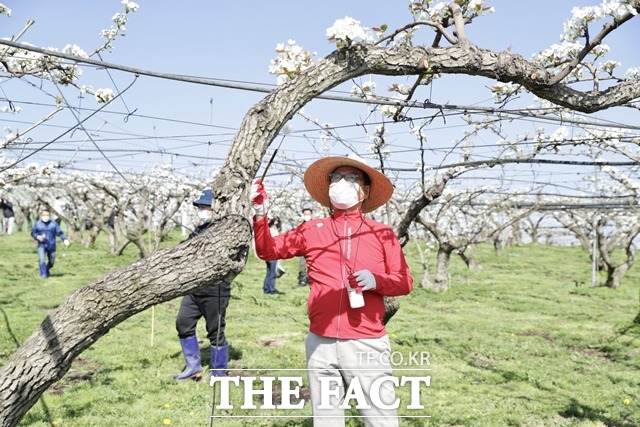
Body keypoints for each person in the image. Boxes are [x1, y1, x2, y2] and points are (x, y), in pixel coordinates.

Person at [251, 154, 413, 426]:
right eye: (335, 178)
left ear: (365, 190)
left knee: (380, 419)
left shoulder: (382, 233)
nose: (341, 183)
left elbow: (404, 282)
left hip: (366, 342)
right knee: (326, 419)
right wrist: (260, 213)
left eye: (351, 178)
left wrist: (376, 281)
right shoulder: (312, 229)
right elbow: (268, 250)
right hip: (321, 340)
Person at [173, 189, 231, 381]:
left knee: (215, 331)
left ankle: (219, 373)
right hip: (194, 289)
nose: (202, 210)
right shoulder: (198, 230)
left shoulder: (224, 231)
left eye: (206, 207)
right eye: (201, 207)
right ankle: (193, 367)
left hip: (216, 290)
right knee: (183, 323)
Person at [31, 209, 70, 279]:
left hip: (52, 245)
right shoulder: (38, 224)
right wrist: (38, 237)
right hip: (41, 245)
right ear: (41, 215)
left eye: (47, 215)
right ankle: (43, 274)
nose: (46, 216)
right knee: (42, 259)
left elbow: (59, 232)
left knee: (51, 262)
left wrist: (64, 239)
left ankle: (46, 269)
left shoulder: (53, 224)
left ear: (50, 215)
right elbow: (33, 233)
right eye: (44, 215)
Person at [263, 217, 282, 295]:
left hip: (268, 254)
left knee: (269, 272)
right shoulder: (273, 230)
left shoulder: (267, 229)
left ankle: (266, 289)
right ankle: (271, 290)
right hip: (273, 253)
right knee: (272, 273)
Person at [297, 206, 313, 286]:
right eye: (306, 214)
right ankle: (302, 280)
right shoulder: (301, 225)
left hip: (312, 248)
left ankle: (311, 280)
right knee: (302, 265)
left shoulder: (314, 225)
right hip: (303, 248)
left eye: (308, 214)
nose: (307, 216)